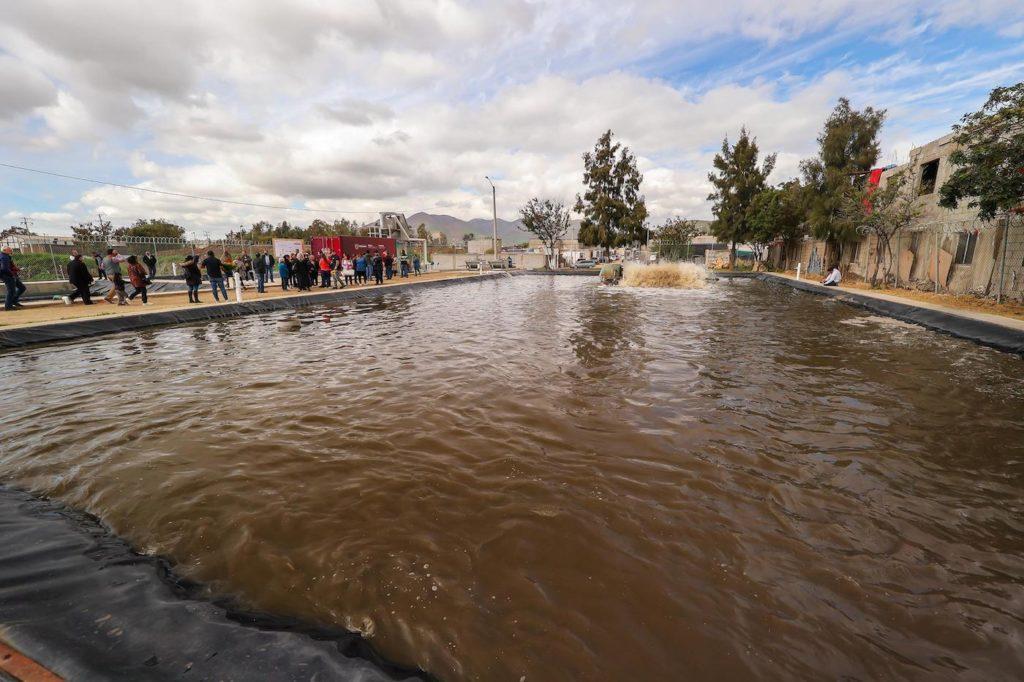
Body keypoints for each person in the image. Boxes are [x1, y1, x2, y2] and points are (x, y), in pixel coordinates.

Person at [1, 246, 27, 311]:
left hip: (10, 275)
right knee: (11, 291)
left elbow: (10, 266)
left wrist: (17, 269)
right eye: (9, 250)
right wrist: (12, 274)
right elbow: (4, 268)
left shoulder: (6, 256)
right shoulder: (4, 257)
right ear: (4, 250)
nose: (11, 251)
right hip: (6, 275)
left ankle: (14, 301)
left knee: (22, 287)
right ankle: (8, 307)